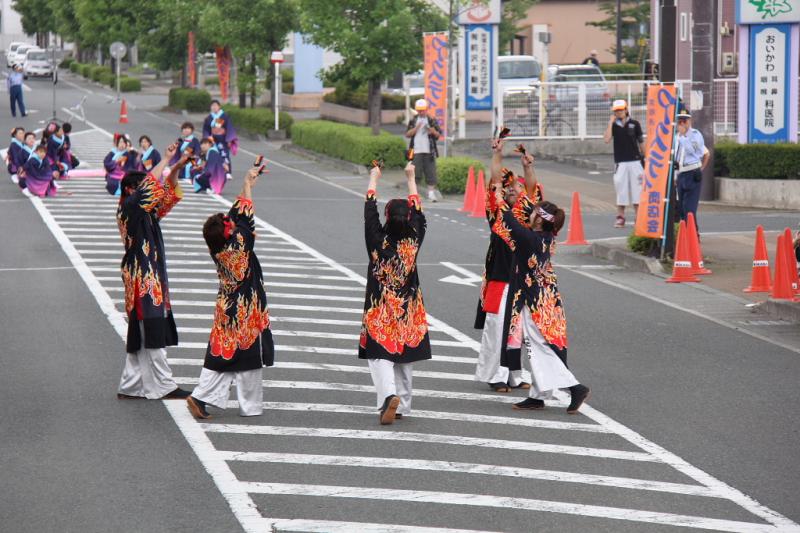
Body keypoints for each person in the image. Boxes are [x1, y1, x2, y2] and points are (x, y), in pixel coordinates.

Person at [186, 166, 274, 420]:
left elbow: (238, 216)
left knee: (221, 352)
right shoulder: (240, 245)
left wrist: (248, 183)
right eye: (230, 225)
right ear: (230, 234)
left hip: (225, 305)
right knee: (249, 356)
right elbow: (246, 217)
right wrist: (248, 185)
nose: (232, 222)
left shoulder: (218, 247)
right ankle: (250, 406)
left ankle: (202, 397)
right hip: (246, 308)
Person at [492, 190, 591, 414]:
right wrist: (517, 197)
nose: (531, 213)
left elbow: (509, 221)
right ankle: (538, 396)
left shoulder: (528, 238)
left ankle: (574, 387)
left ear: (539, 219)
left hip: (533, 301)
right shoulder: (546, 237)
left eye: (535, 212)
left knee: (537, 347)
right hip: (547, 299)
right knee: (539, 347)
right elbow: (522, 217)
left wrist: (501, 199)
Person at [116, 143, 191, 401]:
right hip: (141, 278)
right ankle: (164, 384)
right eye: (143, 188)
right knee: (152, 329)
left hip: (149, 276)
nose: (153, 193)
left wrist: (176, 168)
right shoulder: (129, 209)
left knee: (142, 332)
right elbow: (151, 187)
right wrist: (168, 158)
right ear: (130, 190)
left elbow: (168, 194)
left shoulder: (147, 213)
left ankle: (131, 384)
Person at [360, 161, 431, 425]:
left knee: (380, 355)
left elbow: (369, 211)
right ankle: (404, 404)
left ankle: (389, 396)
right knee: (404, 359)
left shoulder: (377, 240)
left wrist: (373, 179)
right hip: (409, 308)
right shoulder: (414, 239)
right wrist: (411, 177)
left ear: (387, 218)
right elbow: (420, 214)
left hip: (380, 308)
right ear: (409, 219)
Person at [474, 137, 536, 392]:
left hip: (521, 280)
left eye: (515, 188)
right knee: (496, 327)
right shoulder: (497, 213)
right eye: (507, 188)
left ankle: (515, 374)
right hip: (500, 278)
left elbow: (532, 191)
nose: (511, 190)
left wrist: (528, 168)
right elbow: (494, 182)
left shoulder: (525, 213)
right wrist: (497, 156)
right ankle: (494, 376)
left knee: (517, 330)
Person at [604, 99, 644, 228]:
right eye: (616, 111)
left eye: (621, 110)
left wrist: (647, 158)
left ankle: (639, 217)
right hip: (620, 162)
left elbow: (641, 142)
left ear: (626, 110)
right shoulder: (614, 125)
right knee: (621, 189)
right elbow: (606, 139)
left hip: (636, 161)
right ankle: (620, 217)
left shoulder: (635, 124)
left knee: (638, 190)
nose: (619, 112)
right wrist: (610, 122)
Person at [674, 108, 709, 232]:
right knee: (681, 209)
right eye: (680, 120)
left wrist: (683, 136)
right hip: (681, 174)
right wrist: (675, 175)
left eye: (685, 120)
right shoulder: (676, 137)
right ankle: (686, 236)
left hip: (692, 173)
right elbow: (675, 158)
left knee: (690, 209)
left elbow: (692, 150)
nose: (682, 123)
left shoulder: (695, 135)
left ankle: (694, 236)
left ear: (690, 120)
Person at [406, 99, 443, 202]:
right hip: (415, 150)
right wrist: (416, 128)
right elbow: (407, 134)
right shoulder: (413, 120)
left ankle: (431, 194)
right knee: (415, 173)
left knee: (430, 172)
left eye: (423, 110)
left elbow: (439, 134)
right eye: (419, 110)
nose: (421, 112)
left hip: (429, 151)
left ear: (427, 109)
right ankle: (414, 194)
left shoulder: (431, 120)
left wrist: (432, 131)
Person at [202, 99, 237, 179]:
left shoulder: (224, 116)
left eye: (215, 106)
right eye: (212, 106)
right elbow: (206, 129)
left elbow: (229, 127)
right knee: (212, 154)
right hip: (212, 139)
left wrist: (229, 139)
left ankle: (227, 172)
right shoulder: (209, 118)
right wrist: (207, 137)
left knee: (224, 154)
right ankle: (212, 170)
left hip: (222, 138)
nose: (214, 107)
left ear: (219, 106)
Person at [16, 131, 37, 195]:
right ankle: (27, 189)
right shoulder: (21, 152)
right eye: (29, 138)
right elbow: (19, 165)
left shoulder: (38, 150)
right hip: (27, 172)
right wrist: (22, 172)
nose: (31, 140)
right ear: (25, 140)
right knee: (23, 182)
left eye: (33, 138)